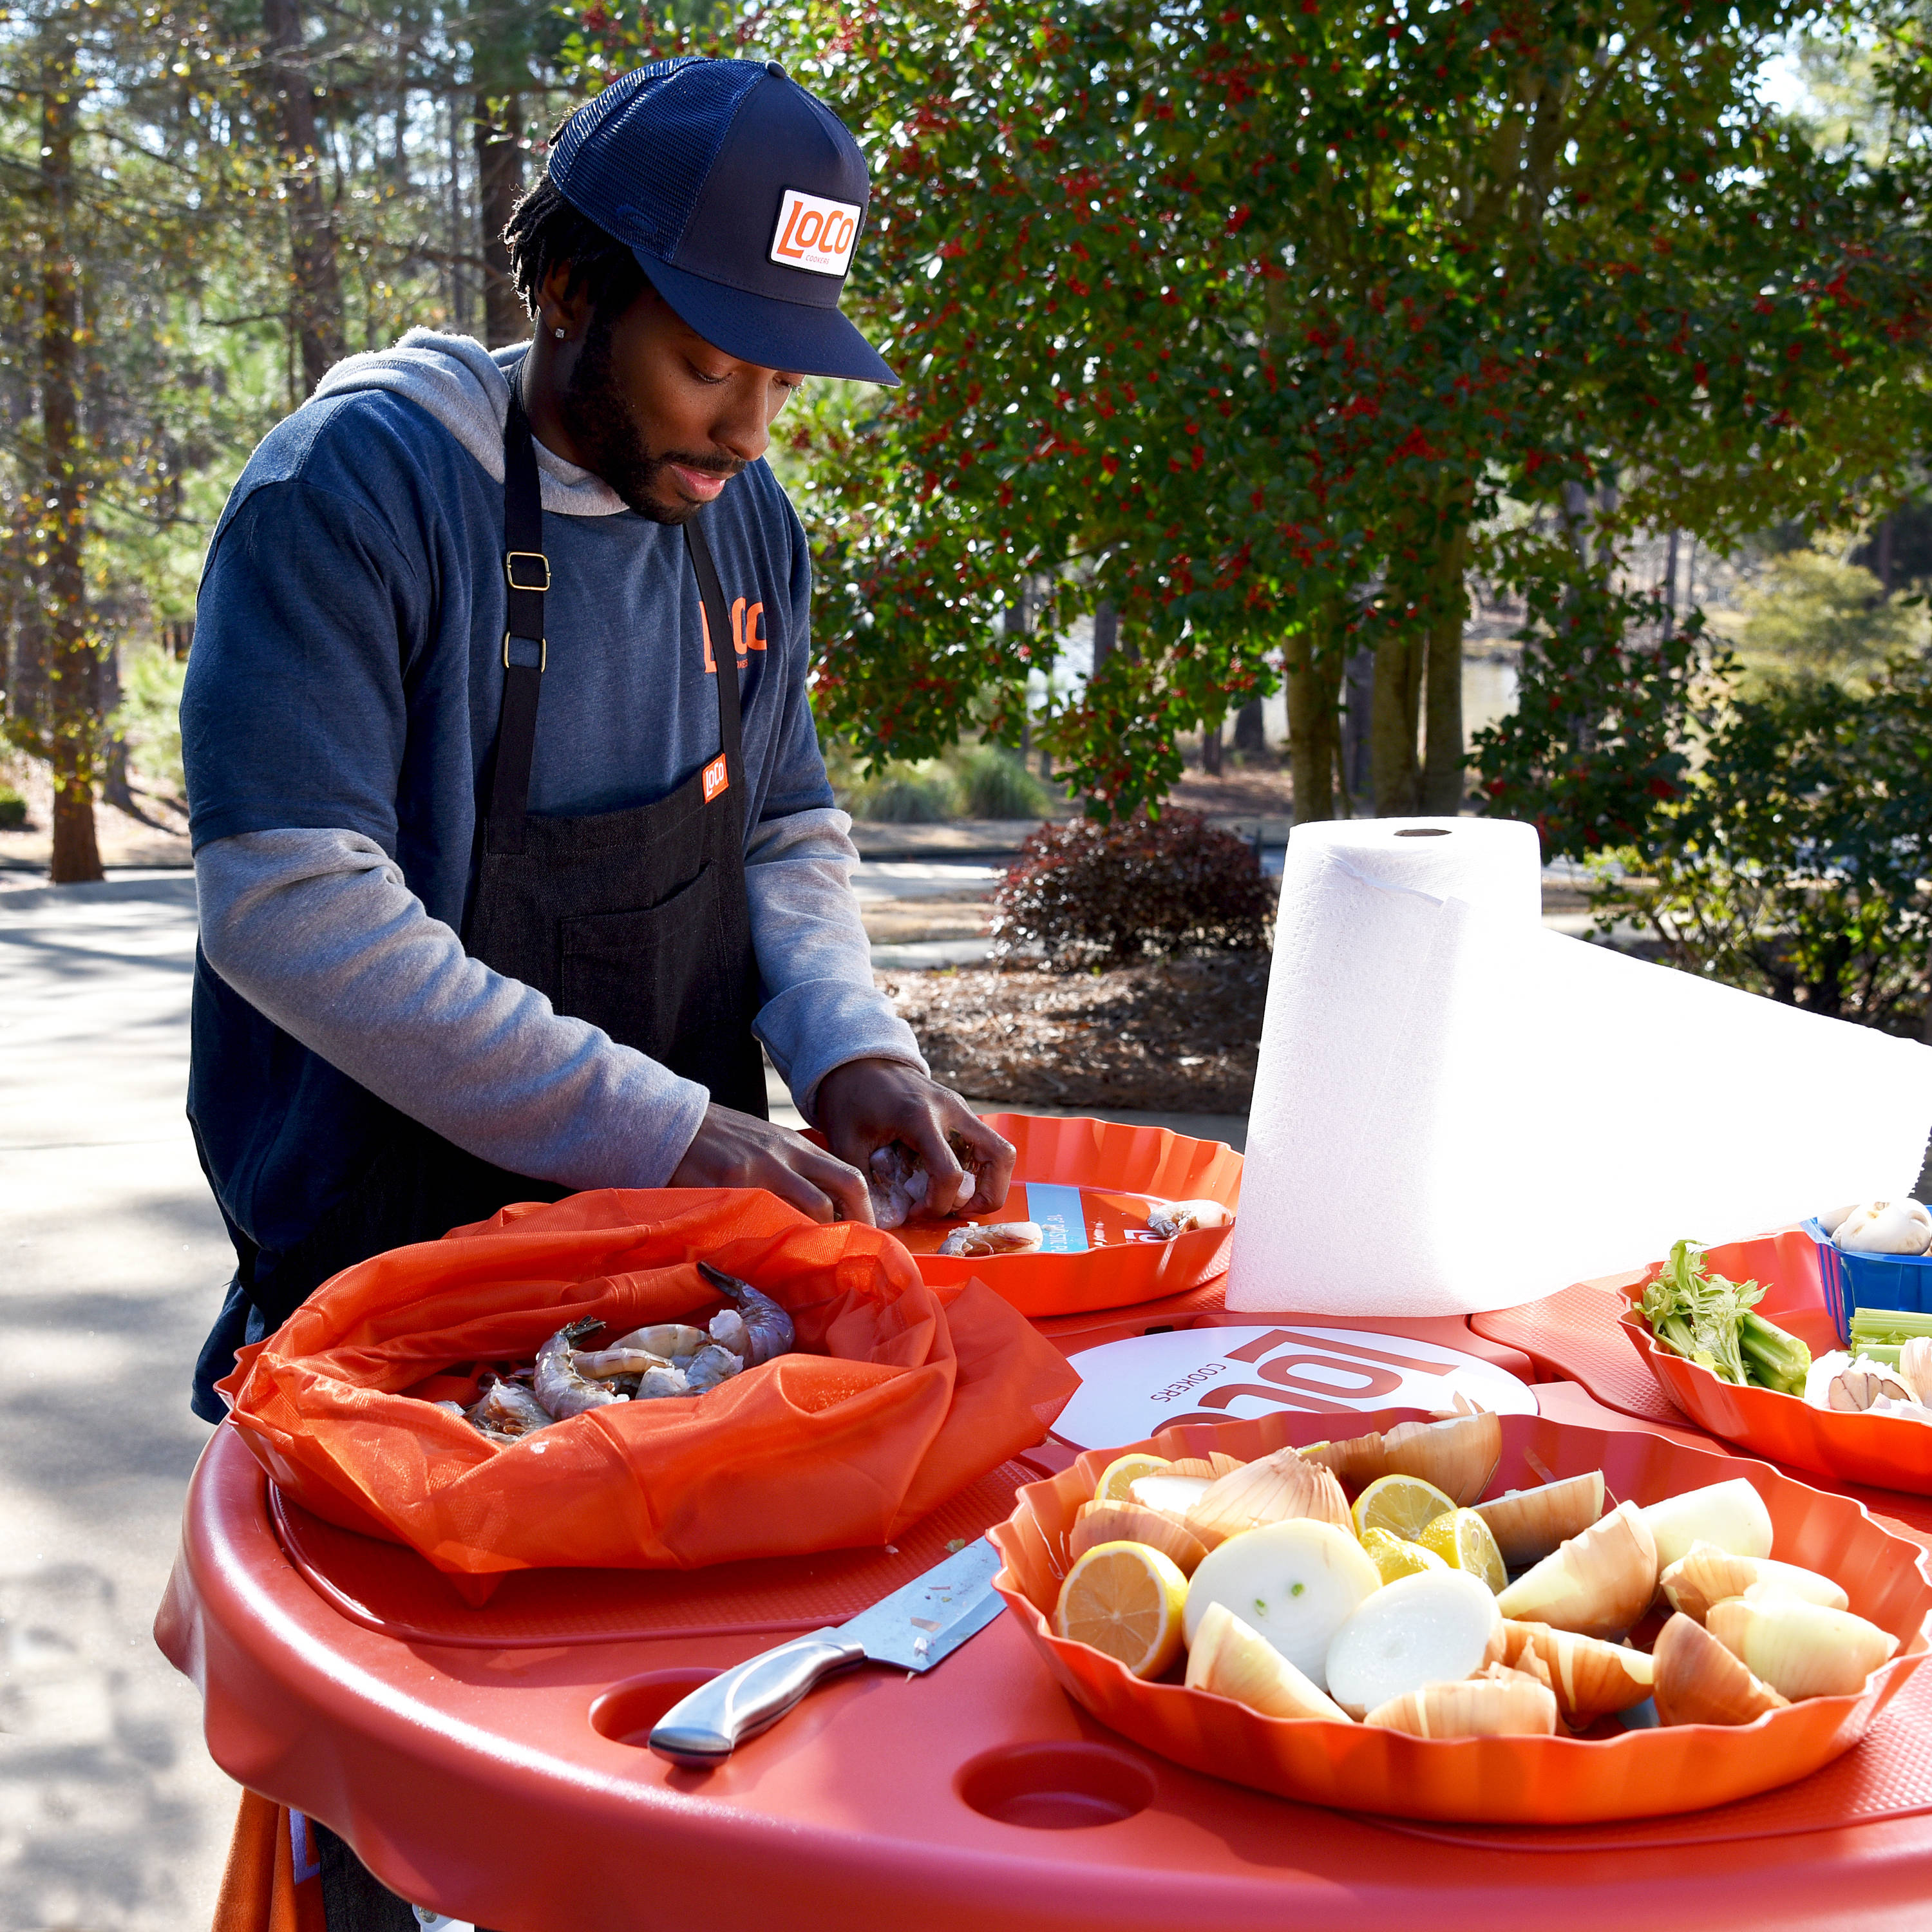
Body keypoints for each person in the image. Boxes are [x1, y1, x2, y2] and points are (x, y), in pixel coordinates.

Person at [180, 57, 1014, 1925]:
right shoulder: (361, 488)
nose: (752, 419)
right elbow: (297, 912)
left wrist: (848, 1045)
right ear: (571, 293)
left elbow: (790, 824)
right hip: (391, 1309)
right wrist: (683, 1123)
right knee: (397, 1811)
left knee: (665, 1792)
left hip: (672, 1304)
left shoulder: (747, 530)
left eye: (784, 373)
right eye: (713, 358)